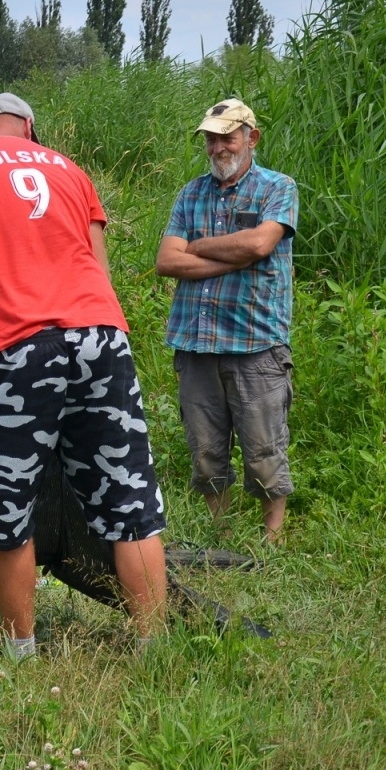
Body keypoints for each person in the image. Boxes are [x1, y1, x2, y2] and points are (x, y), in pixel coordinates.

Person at [0, 93, 167, 657]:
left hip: (12, 350)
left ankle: (21, 651)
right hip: (100, 336)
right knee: (131, 501)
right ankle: (153, 646)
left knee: (8, 507)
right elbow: (96, 267)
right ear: (28, 129)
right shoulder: (70, 170)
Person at [155, 99, 298, 543]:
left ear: (250, 138)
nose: (218, 147)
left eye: (227, 137)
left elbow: (259, 245)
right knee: (206, 448)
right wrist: (227, 255)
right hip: (196, 343)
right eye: (211, 139)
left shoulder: (278, 187)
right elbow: (166, 261)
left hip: (255, 343)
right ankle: (220, 531)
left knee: (263, 447)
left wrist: (196, 246)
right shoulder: (190, 193)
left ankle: (271, 539)